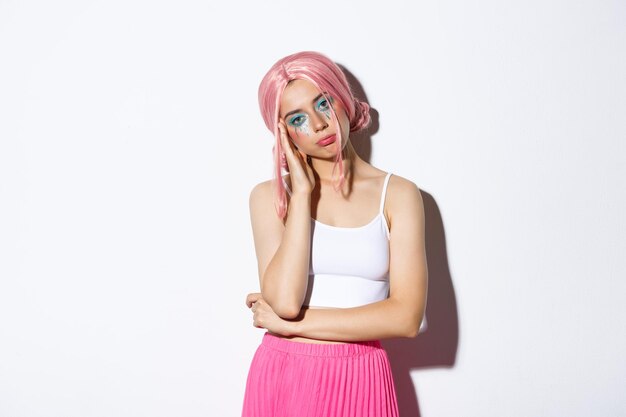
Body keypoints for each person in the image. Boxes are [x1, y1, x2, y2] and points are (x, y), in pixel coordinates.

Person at [241, 51, 428, 417]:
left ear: (342, 99)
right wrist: (301, 197)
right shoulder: (269, 198)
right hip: (282, 372)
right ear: (284, 134)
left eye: (323, 102)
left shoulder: (400, 195)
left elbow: (406, 318)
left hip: (361, 373)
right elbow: (285, 302)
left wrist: (290, 326)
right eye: (298, 119)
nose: (319, 124)